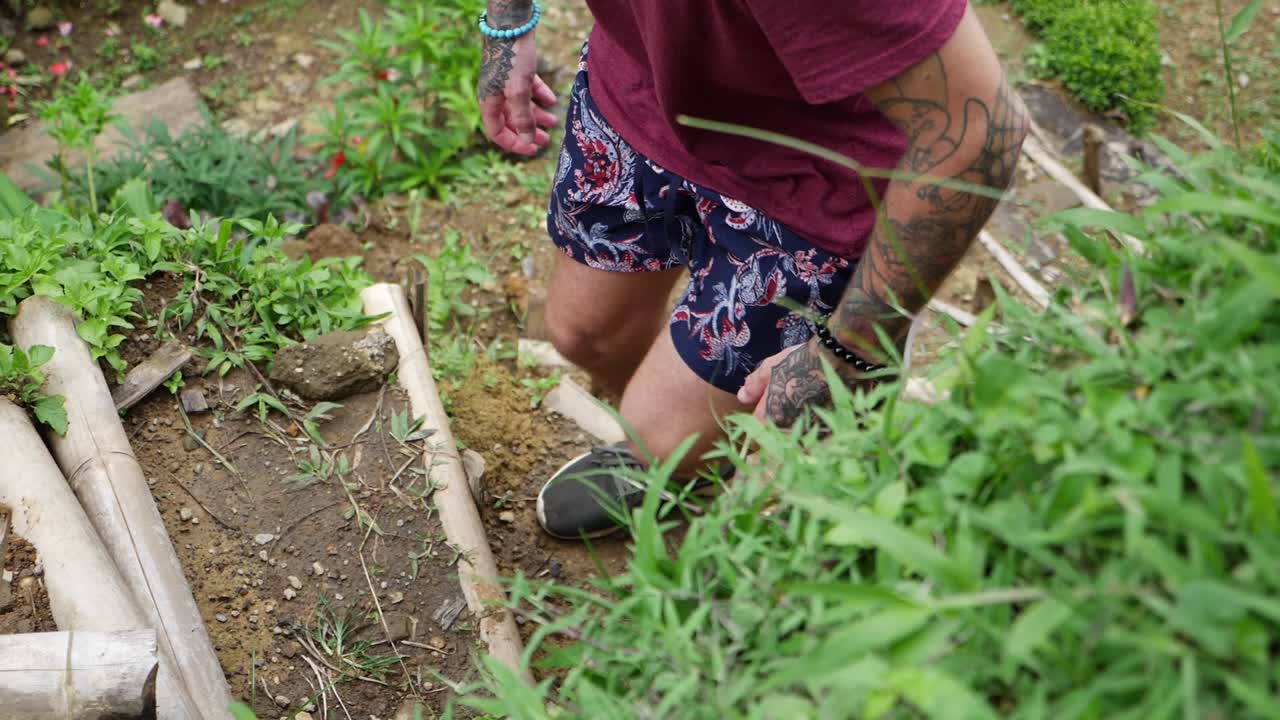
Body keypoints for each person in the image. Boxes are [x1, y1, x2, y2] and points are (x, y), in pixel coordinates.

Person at [476, 1, 1028, 539]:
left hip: (817, 175)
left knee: (667, 435)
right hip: (641, 84)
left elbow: (982, 130)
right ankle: (687, 454)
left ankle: (728, 474)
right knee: (584, 332)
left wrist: (847, 352)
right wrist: (506, 25)